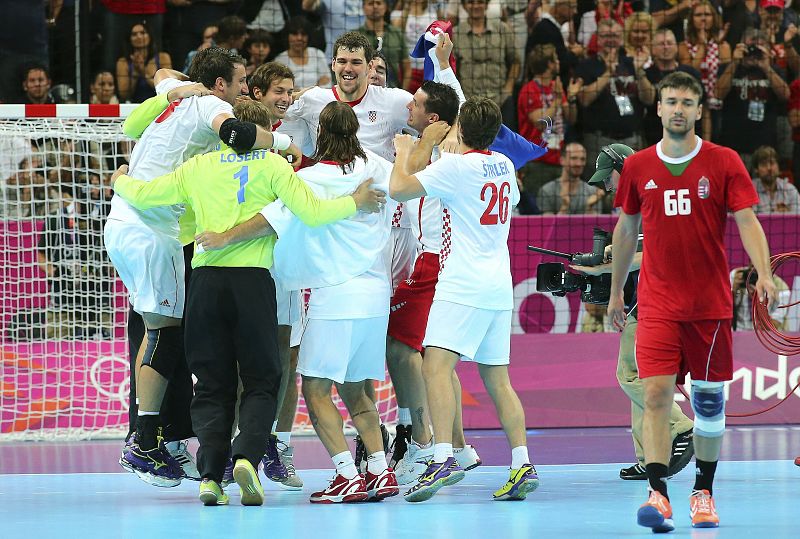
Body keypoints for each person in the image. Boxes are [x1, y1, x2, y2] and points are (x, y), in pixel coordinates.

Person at [109, 99, 384, 507]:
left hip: (204, 284)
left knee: (211, 382)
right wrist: (356, 203)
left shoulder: (197, 167)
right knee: (261, 379)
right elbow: (312, 214)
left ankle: (209, 476)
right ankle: (248, 459)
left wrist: (120, 180)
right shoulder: (274, 167)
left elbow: (147, 196)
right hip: (253, 284)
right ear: (262, 133)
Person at [104, 47, 299, 488]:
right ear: (219, 86)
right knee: (163, 330)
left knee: (167, 327)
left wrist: (170, 84)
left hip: (129, 221)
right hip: (150, 228)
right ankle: (144, 440)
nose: (245, 88)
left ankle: (159, 437)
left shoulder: (177, 99)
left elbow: (154, 86)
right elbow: (236, 134)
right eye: (240, 81)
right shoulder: (211, 104)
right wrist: (284, 144)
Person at [607, 71, 777, 532]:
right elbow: (624, 231)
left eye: (687, 101)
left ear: (699, 110)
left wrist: (763, 272)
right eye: (671, 101)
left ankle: (703, 492)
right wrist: (617, 291)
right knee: (658, 394)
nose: (678, 108)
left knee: (707, 405)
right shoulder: (639, 167)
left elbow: (747, 221)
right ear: (658, 108)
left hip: (710, 307)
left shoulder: (723, 162)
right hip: (658, 304)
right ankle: (658, 495)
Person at [391, 96, 539, 502]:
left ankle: (442, 456)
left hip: (461, 283)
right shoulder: (506, 166)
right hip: (498, 286)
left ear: (460, 130)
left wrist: (406, 152)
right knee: (498, 380)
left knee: (434, 368)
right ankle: (521, 463)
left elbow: (398, 188)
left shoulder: (455, 167)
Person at [260, 101, 399, 503]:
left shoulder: (310, 179)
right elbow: (410, 184)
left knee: (316, 390)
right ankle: (379, 469)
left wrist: (220, 236)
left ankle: (346, 474)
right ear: (355, 130)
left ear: (321, 133)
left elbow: (271, 221)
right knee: (358, 391)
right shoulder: (376, 167)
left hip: (335, 297)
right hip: (376, 298)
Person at [581, 143, 695, 481]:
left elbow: (658, 256)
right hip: (647, 300)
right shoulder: (643, 199)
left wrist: (604, 271)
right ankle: (649, 456)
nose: (606, 187)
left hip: (658, 301)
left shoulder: (653, 199)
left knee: (629, 375)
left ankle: (681, 426)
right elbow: (638, 245)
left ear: (625, 167)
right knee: (640, 376)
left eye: (608, 178)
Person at [678, 1, 731, 141]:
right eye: (698, 15)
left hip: (718, 106)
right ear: (691, 19)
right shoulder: (684, 46)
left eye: (707, 14)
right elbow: (689, 75)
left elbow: (726, 76)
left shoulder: (723, 46)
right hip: (692, 104)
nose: (703, 18)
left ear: (713, 18)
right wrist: (702, 45)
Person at [454, 0, 520, 107]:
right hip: (469, 104)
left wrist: (508, 89)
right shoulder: (456, 34)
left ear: (486, 4)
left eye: (480, 2)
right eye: (471, 2)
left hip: (501, 101)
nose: (476, 6)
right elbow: (453, 70)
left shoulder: (502, 29)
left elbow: (516, 61)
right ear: (464, 5)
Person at [536, 142, 603, 214]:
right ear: (562, 160)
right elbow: (548, 225)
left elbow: (596, 225)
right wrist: (564, 207)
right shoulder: (547, 191)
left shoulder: (593, 192)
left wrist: (589, 207)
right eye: (573, 158)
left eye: (582, 159)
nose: (579, 163)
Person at [116, 21, 172, 103]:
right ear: (129, 39)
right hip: (133, 106)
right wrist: (135, 72)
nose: (139, 36)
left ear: (150, 36)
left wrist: (143, 73)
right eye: (134, 34)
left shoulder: (163, 58)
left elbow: (168, 89)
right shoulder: (123, 62)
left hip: (159, 105)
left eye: (143, 33)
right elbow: (124, 95)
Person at [359, 0, 411, 89]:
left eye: (378, 3)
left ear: (386, 7)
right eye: (370, 3)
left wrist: (402, 92)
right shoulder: (357, 35)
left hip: (392, 90)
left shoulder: (396, 33)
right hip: (362, 91)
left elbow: (407, 68)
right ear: (363, 8)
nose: (375, 6)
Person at [274, 16, 331, 88]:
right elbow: (283, 89)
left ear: (308, 36)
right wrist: (317, 86)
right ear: (287, 36)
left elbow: (327, 83)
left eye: (303, 34)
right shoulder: (279, 61)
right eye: (295, 34)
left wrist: (298, 90)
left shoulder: (318, 54)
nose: (299, 38)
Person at [749, 145, 800, 214]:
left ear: (778, 166)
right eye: (764, 164)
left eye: (772, 163)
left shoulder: (790, 190)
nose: (769, 168)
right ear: (756, 169)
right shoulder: (749, 190)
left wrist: (787, 215)